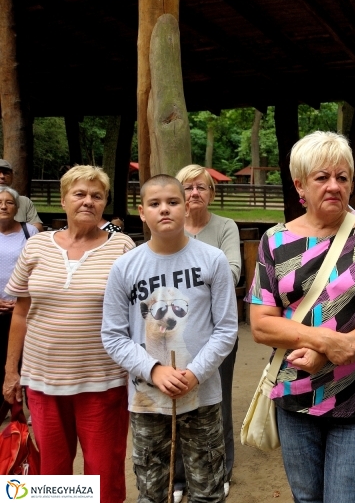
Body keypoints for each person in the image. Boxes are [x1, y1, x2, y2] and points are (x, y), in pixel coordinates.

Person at [246, 131, 355, 503]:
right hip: (295, 393)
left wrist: (334, 348)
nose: (334, 186)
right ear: (300, 183)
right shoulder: (275, 241)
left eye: (342, 177)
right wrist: (323, 341)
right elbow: (261, 323)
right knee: (306, 498)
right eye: (322, 177)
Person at [102, 174, 238, 502]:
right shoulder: (125, 267)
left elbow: (226, 328)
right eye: (155, 204)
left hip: (201, 395)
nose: (165, 210)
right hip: (148, 399)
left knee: (207, 489)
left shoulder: (212, 260)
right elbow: (113, 334)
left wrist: (195, 373)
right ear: (142, 211)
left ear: (185, 206)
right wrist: (153, 370)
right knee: (153, 491)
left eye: (173, 202)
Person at [3, 166, 134, 502]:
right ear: (64, 200)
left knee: (104, 474)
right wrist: (10, 371)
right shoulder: (36, 247)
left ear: (105, 203)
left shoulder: (122, 248)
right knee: (51, 474)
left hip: (103, 381)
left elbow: (137, 314)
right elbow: (20, 312)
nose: (87, 201)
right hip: (42, 380)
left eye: (96, 195)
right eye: (79, 194)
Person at [174, 164, 242, 501]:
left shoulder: (224, 227)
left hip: (218, 334)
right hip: (173, 333)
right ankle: (178, 476)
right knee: (174, 401)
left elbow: (232, 273)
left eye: (201, 187)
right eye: (187, 188)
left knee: (218, 402)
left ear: (211, 194)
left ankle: (221, 469)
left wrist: (182, 280)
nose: (194, 193)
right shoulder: (169, 226)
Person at [0, 186, 38, 390]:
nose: (4, 206)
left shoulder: (29, 232)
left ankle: (25, 404)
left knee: (23, 357)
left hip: (22, 308)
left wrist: (21, 302)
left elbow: (38, 268)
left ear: (16, 207)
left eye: (9, 202)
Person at [0, 159, 43, 232]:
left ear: (12, 176)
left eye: (6, 173)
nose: (2, 176)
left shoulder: (24, 201)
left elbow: (37, 228)